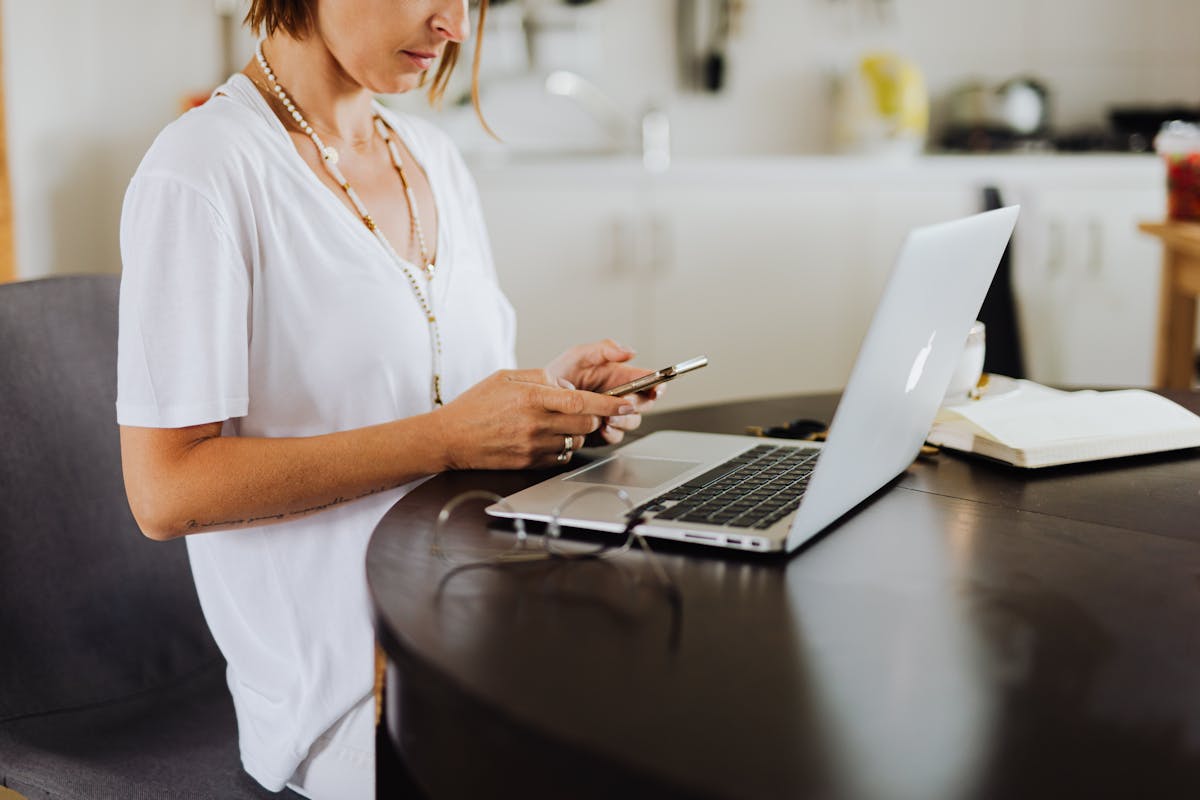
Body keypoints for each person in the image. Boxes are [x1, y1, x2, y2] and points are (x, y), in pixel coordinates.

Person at [115, 1, 658, 797]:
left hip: (483, 633)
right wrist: (448, 437)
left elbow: (440, 410)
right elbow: (164, 493)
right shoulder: (203, 170)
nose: (457, 26)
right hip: (352, 695)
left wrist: (551, 410)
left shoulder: (433, 157)